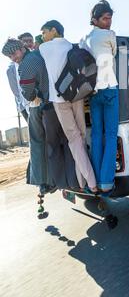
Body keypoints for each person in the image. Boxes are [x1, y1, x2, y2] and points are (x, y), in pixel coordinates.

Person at [40, 20, 97, 193]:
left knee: (74, 140)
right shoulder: (71, 47)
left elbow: (38, 47)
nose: (42, 36)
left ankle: (91, 182)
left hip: (60, 100)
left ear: (54, 30)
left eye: (44, 32)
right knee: (81, 135)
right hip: (76, 96)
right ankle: (82, 181)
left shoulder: (45, 48)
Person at [1, 38, 55, 194]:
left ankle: (42, 182)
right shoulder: (37, 55)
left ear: (21, 48)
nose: (13, 58)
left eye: (14, 53)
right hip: (48, 104)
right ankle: (49, 180)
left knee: (37, 144)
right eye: (9, 56)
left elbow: (27, 93)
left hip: (36, 106)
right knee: (49, 142)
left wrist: (29, 96)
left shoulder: (26, 63)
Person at [80, 0, 119, 195]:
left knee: (96, 135)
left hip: (93, 92)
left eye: (110, 18)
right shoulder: (109, 35)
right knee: (111, 136)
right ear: (94, 19)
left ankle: (93, 180)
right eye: (105, 18)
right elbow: (114, 52)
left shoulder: (84, 38)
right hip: (110, 88)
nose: (109, 22)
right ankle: (106, 182)